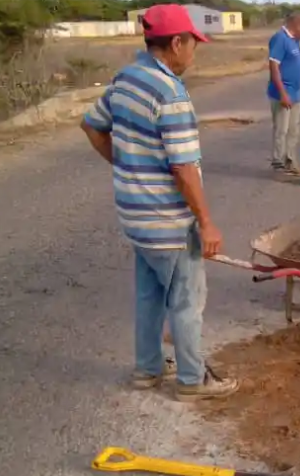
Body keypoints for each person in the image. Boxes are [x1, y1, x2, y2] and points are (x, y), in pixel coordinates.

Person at [79, 4, 239, 401]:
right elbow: (184, 170)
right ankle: (191, 380)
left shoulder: (126, 78)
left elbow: (91, 125)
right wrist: (206, 221)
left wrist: (127, 164)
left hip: (135, 219)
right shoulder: (170, 94)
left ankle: (147, 370)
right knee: (186, 301)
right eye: (193, 46)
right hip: (169, 223)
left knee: (150, 295)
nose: (194, 54)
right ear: (176, 42)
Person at [267, 12, 300, 176]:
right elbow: (274, 67)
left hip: (296, 94)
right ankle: (278, 162)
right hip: (282, 93)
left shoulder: (295, 41)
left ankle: (290, 161)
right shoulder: (280, 39)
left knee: (293, 130)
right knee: (281, 129)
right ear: (297, 25)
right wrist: (282, 93)